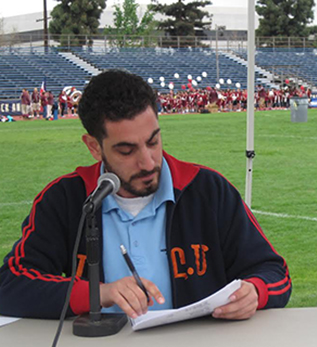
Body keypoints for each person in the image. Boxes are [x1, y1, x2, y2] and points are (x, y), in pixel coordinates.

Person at [0, 70, 291, 320]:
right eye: (126, 151)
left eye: (153, 142)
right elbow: (10, 285)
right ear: (94, 147)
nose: (149, 162)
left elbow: (274, 272)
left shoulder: (207, 190)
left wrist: (256, 291)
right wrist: (98, 294)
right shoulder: (66, 199)